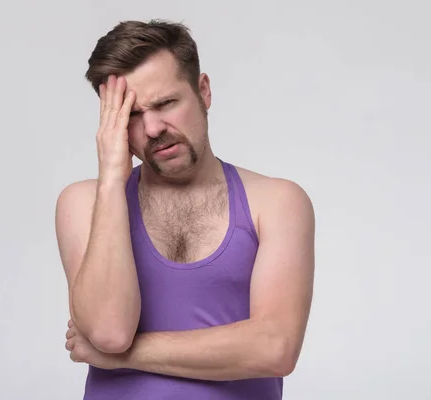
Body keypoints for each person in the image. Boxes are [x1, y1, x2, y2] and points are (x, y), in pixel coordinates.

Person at [55, 19, 315, 400]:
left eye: (165, 104)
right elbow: (110, 331)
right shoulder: (83, 203)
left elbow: (275, 348)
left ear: (203, 91)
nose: (154, 127)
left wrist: (123, 357)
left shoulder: (277, 202)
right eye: (131, 115)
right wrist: (112, 178)